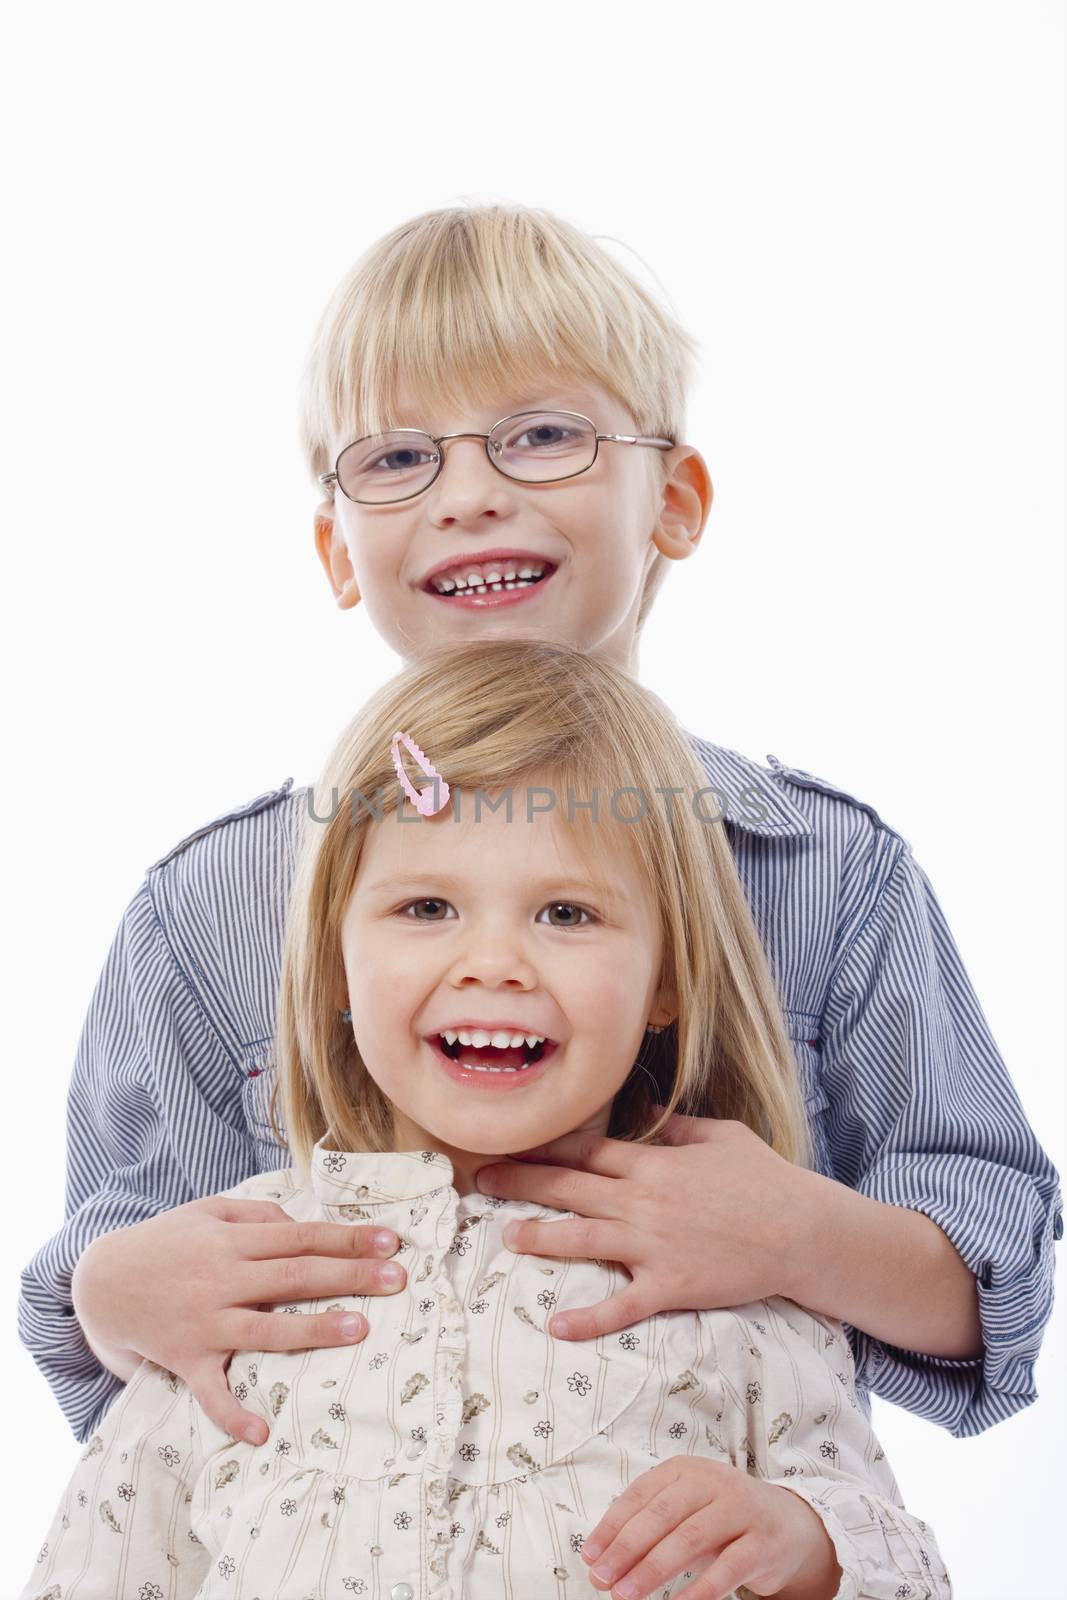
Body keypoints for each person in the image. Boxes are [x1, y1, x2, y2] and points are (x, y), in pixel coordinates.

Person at [19, 206, 1061, 1458]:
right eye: (397, 459)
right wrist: (105, 1296)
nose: (468, 493)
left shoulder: (824, 869)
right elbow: (115, 1291)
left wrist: (794, 1231)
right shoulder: (209, 903)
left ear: (673, 500)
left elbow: (989, 1291)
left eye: (545, 435)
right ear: (334, 548)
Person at [21, 641, 952, 1600]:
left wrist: (803, 1544)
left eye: (566, 913)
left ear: (666, 980)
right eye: (427, 906)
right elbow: (101, 1560)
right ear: (336, 962)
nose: (492, 962)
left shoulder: (731, 1275)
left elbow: (904, 1562)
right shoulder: (238, 1281)